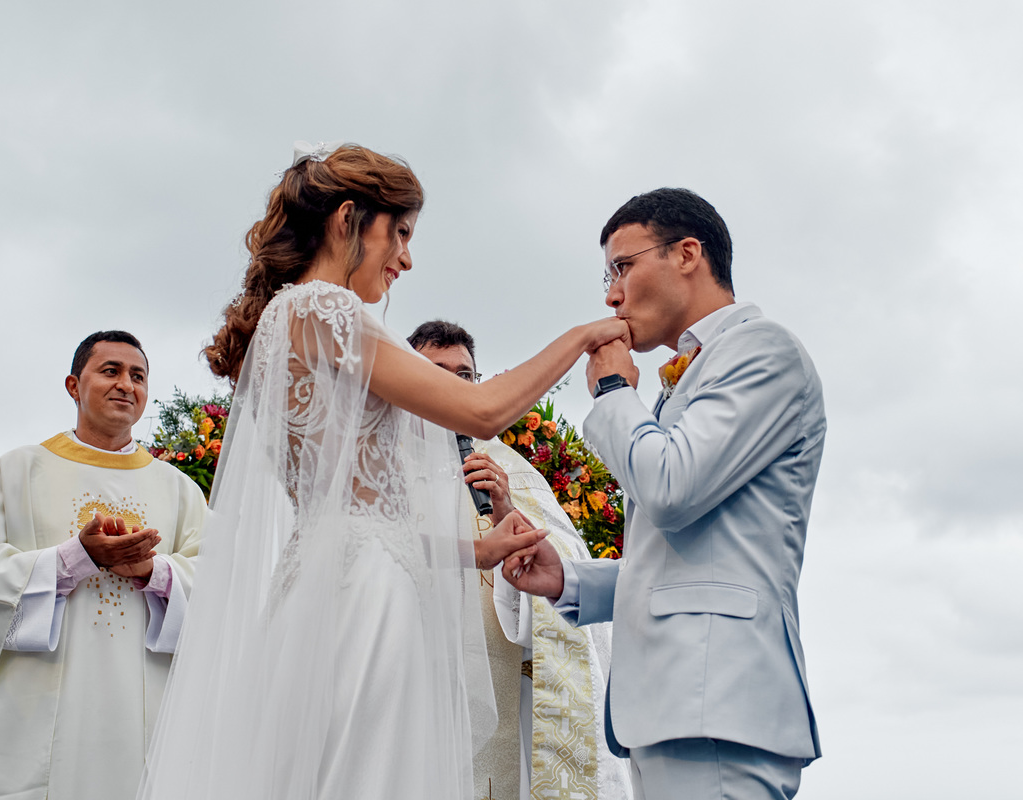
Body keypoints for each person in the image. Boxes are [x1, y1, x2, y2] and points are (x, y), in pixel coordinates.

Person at [135, 143, 630, 800]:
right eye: (399, 232)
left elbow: (358, 514)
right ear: (347, 220)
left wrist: (477, 550)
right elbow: (481, 411)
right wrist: (583, 337)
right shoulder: (325, 310)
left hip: (331, 578)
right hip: (366, 593)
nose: (406, 257)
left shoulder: (287, 323)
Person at [503, 188, 826, 800]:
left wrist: (614, 394)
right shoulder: (692, 375)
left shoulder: (763, 350)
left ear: (687, 253)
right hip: (672, 708)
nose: (611, 295)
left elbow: (671, 488)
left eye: (622, 267)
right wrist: (571, 581)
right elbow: (685, 552)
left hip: (719, 704)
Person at [0, 331, 207, 800]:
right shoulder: (20, 470)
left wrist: (154, 573)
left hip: (143, 711)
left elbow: (222, 584)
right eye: (110, 371)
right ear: (73, 385)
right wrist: (74, 560)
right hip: (33, 715)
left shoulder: (179, 490)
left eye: (138, 376)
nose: (126, 385)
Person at [409, 319, 631, 800]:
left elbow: (563, 568)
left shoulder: (510, 470)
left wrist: (508, 513)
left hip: (498, 683)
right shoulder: (381, 465)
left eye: (465, 376)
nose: (452, 383)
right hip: (409, 679)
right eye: (436, 371)